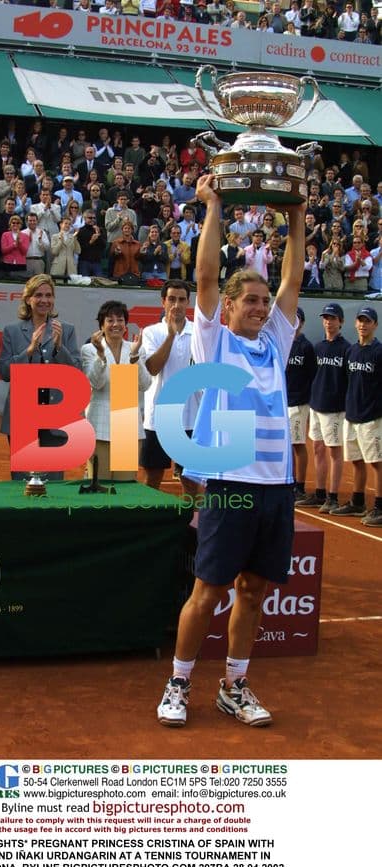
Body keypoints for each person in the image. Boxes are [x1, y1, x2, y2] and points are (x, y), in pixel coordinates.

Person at [157, 174, 305, 728]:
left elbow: (292, 274)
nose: (261, 308)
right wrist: (215, 204)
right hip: (230, 484)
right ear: (229, 306)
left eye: (265, 302)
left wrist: (296, 214)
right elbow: (203, 275)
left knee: (254, 589)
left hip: (276, 487)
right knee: (208, 590)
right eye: (250, 300)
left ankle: (235, 685)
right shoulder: (212, 338)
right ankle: (178, 681)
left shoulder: (276, 340)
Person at [0, 274, 80, 480]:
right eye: (38, 295)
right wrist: (29, 350)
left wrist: (60, 347)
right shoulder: (12, 331)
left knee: (53, 480)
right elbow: (5, 371)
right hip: (23, 413)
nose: (44, 300)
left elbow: (77, 372)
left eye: (49, 295)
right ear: (28, 299)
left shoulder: (66, 330)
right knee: (23, 480)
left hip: (55, 413)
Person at [140, 279, 199, 492]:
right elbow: (153, 368)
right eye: (172, 299)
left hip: (192, 417)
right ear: (163, 302)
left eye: (182, 300)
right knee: (152, 479)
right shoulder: (151, 332)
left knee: (191, 482)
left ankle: (190, 525)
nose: (176, 304)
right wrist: (171, 335)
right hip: (159, 418)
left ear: (188, 302)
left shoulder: (199, 332)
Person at [81, 300, 151, 481]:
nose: (115, 325)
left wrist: (135, 358)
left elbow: (145, 385)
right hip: (99, 423)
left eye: (120, 320)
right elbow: (96, 383)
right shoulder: (89, 349)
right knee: (98, 483)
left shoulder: (135, 349)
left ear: (126, 325)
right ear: (101, 325)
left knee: (125, 486)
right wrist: (101, 356)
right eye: (110, 320)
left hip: (127, 422)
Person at [296, 303, 350, 513]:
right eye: (326, 318)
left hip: (335, 408)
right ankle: (319, 494)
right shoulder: (317, 347)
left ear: (341, 322)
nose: (329, 322)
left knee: (334, 451)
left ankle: (333, 497)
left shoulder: (346, 349)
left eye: (333, 318)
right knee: (318, 449)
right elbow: (311, 376)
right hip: (316, 406)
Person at [333, 307, 382, 525]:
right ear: (355, 324)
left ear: (375, 325)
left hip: (372, 417)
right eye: (360, 321)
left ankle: (380, 508)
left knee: (377, 463)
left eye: (368, 321)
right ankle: (358, 501)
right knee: (357, 461)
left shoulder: (379, 352)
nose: (363, 325)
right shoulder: (351, 351)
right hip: (351, 415)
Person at [286, 308, 317, 500]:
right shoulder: (282, 342)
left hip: (299, 403)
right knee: (286, 446)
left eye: (297, 319)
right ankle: (288, 480)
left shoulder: (306, 347)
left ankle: (300, 486)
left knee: (297, 444)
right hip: (283, 402)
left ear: (302, 323)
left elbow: (312, 375)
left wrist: (306, 399)